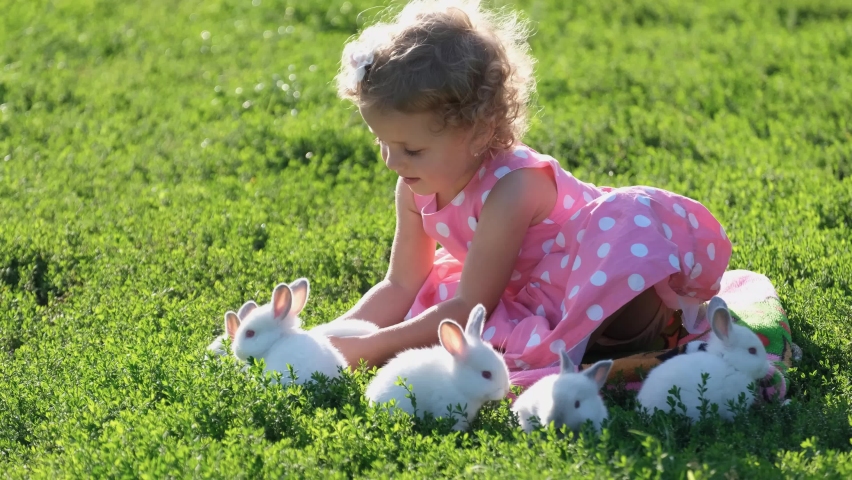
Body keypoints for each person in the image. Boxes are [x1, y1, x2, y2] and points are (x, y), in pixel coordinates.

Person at [326, 0, 731, 379]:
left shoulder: (513, 186)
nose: (393, 162)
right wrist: (330, 336)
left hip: (600, 284)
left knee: (623, 233)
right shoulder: (413, 188)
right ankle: (580, 347)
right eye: (382, 143)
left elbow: (473, 305)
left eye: (411, 149)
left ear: (479, 131)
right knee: (435, 303)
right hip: (528, 296)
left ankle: (644, 338)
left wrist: (373, 348)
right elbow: (400, 284)